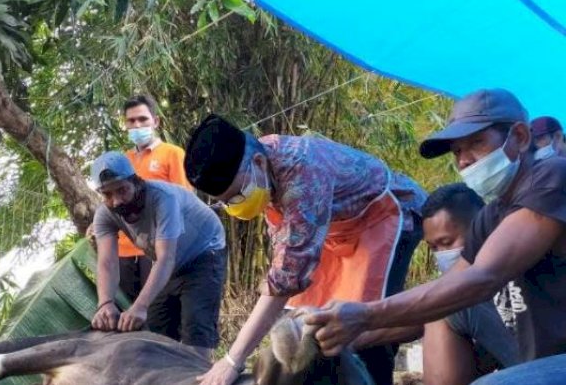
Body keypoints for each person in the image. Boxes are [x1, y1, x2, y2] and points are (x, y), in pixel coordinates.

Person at [306, 88, 566, 384]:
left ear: (519, 137)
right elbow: (450, 287)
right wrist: (338, 333)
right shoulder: (491, 215)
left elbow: (483, 278)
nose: (465, 161)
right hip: (540, 359)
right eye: (457, 151)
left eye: (476, 143)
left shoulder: (552, 178)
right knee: (445, 312)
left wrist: (365, 313)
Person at [183, 114, 427, 385]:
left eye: (237, 195)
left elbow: (287, 277)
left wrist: (232, 360)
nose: (236, 206)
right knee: (301, 324)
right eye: (227, 203)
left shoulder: (302, 174)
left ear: (258, 163)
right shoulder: (263, 166)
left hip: (383, 216)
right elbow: (285, 258)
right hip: (333, 228)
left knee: (360, 327)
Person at [354, 183, 520, 383]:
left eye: (447, 243)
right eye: (434, 247)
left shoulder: (515, 261)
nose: (442, 254)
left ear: (482, 228)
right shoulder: (475, 306)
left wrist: (361, 322)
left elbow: (436, 307)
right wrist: (352, 335)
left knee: (441, 308)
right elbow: (416, 319)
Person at [89, 151, 226, 358]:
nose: (116, 201)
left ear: (135, 182)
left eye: (122, 190)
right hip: (167, 264)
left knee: (196, 336)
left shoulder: (163, 199)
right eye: (107, 195)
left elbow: (166, 258)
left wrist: (139, 306)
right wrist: (105, 303)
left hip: (204, 253)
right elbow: (107, 262)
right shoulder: (105, 214)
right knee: (155, 336)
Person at [118, 95, 192, 302]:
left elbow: (184, 201)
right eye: (131, 121)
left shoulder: (173, 154)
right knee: (128, 313)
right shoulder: (122, 161)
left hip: (157, 249)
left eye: (143, 119)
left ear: (156, 121)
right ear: (125, 124)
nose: (137, 125)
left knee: (157, 312)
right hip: (124, 248)